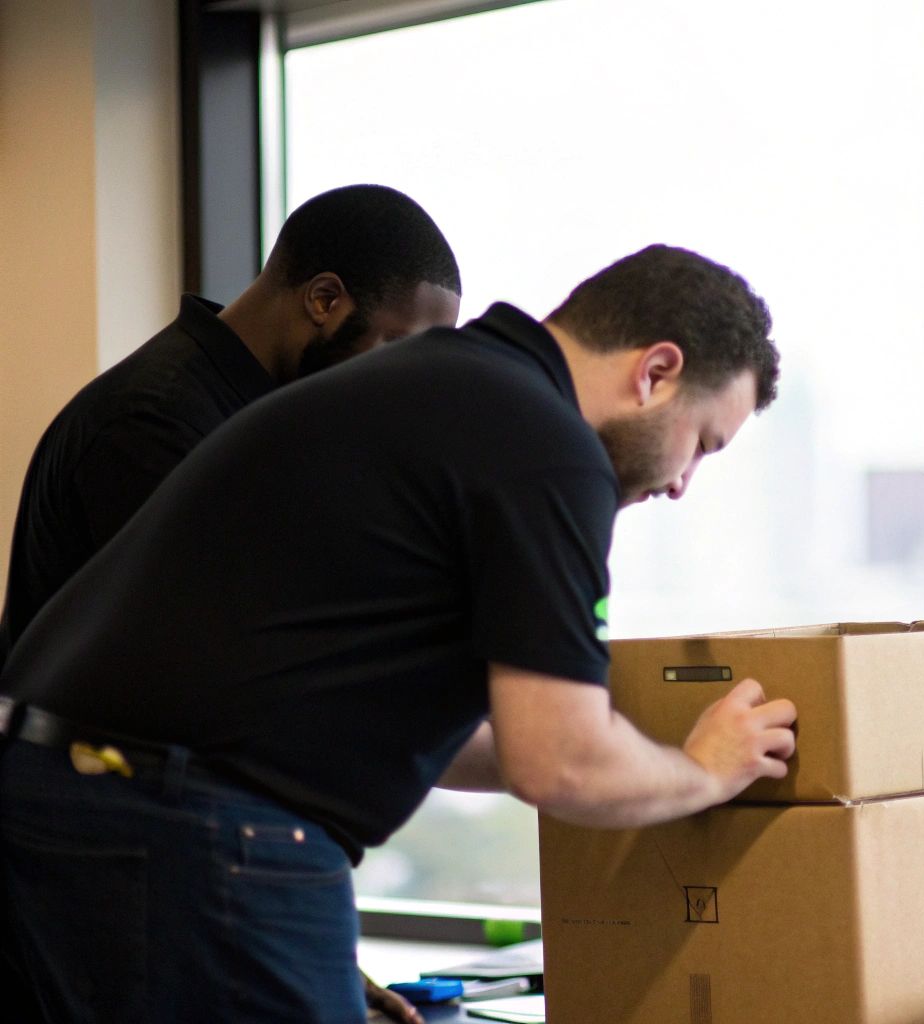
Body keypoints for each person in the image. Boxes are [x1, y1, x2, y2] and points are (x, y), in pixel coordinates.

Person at [0, 243, 796, 1023]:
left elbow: (423, 726)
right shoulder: (544, 447)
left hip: (69, 799)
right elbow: (558, 762)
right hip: (194, 826)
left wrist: (627, 746)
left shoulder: (438, 387)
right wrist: (702, 771)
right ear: (655, 374)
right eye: (702, 443)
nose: (684, 483)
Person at [0, 183, 463, 671]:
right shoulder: (149, 421)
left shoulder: (267, 419)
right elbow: (214, 650)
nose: (404, 381)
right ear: (324, 300)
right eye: (397, 347)